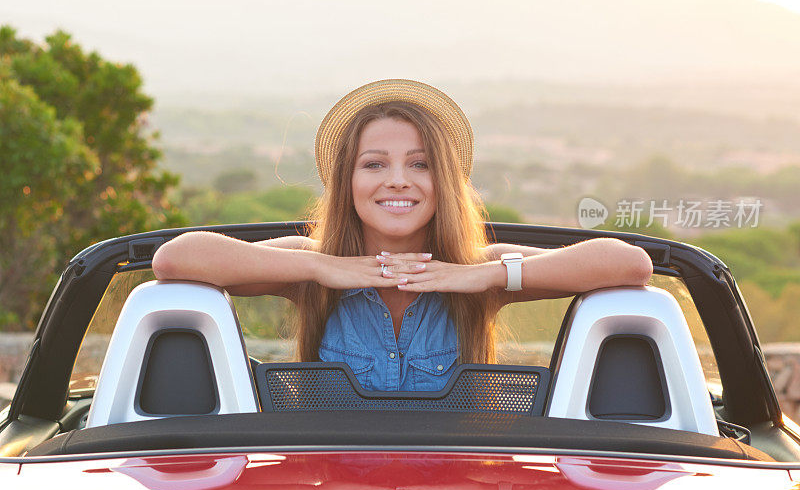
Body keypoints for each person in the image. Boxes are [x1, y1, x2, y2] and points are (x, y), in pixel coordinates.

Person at [152, 78, 653, 392]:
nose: (397, 179)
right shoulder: (310, 265)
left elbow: (628, 265)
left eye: (421, 164)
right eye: (374, 164)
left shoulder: (481, 268)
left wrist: (483, 276)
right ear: (347, 182)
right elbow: (175, 260)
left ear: (445, 184)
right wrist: (317, 266)